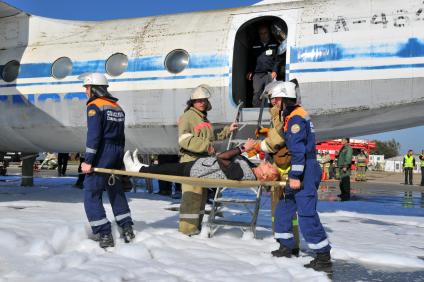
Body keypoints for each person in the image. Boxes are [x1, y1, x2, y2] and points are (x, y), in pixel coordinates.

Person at [266, 81, 331, 272]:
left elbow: (298, 150)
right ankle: (287, 246)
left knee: (306, 214)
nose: (274, 103)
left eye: (276, 99)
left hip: (305, 169)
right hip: (304, 167)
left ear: (285, 99)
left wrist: (295, 175)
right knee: (284, 208)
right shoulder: (294, 115)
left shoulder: (295, 119)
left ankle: (323, 256)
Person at [79, 73, 135, 248]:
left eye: (87, 88)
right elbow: (121, 136)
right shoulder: (117, 107)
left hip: (102, 153)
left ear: (94, 88)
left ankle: (104, 233)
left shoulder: (95, 106)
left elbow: (94, 135)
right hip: (116, 151)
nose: (85, 92)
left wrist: (88, 160)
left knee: (91, 192)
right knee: (115, 189)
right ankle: (126, 228)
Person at [178, 85, 238, 236]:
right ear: (192, 102)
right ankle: (186, 232)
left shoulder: (202, 117)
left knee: (201, 197)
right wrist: (206, 146)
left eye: (204, 100)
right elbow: (184, 139)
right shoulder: (188, 117)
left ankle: (195, 228)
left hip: (201, 162)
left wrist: (227, 130)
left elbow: (209, 137)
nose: (202, 103)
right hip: (190, 162)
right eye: (198, 100)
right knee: (192, 197)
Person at [123, 139, 280, 182]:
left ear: (264, 176)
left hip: (197, 171)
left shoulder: (242, 173)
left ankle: (136, 170)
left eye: (269, 168)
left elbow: (223, 158)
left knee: (165, 169)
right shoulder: (251, 168)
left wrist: (242, 148)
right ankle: (139, 166)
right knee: (165, 167)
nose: (267, 164)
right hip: (201, 165)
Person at [247, 24, 281, 107]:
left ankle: (271, 112)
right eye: (261, 33)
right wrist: (250, 71)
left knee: (271, 93)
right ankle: (256, 111)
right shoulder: (255, 45)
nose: (263, 35)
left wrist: (275, 71)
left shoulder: (274, 44)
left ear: (269, 33)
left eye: (265, 33)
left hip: (269, 73)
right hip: (257, 75)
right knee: (257, 93)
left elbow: (277, 60)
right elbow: (251, 60)